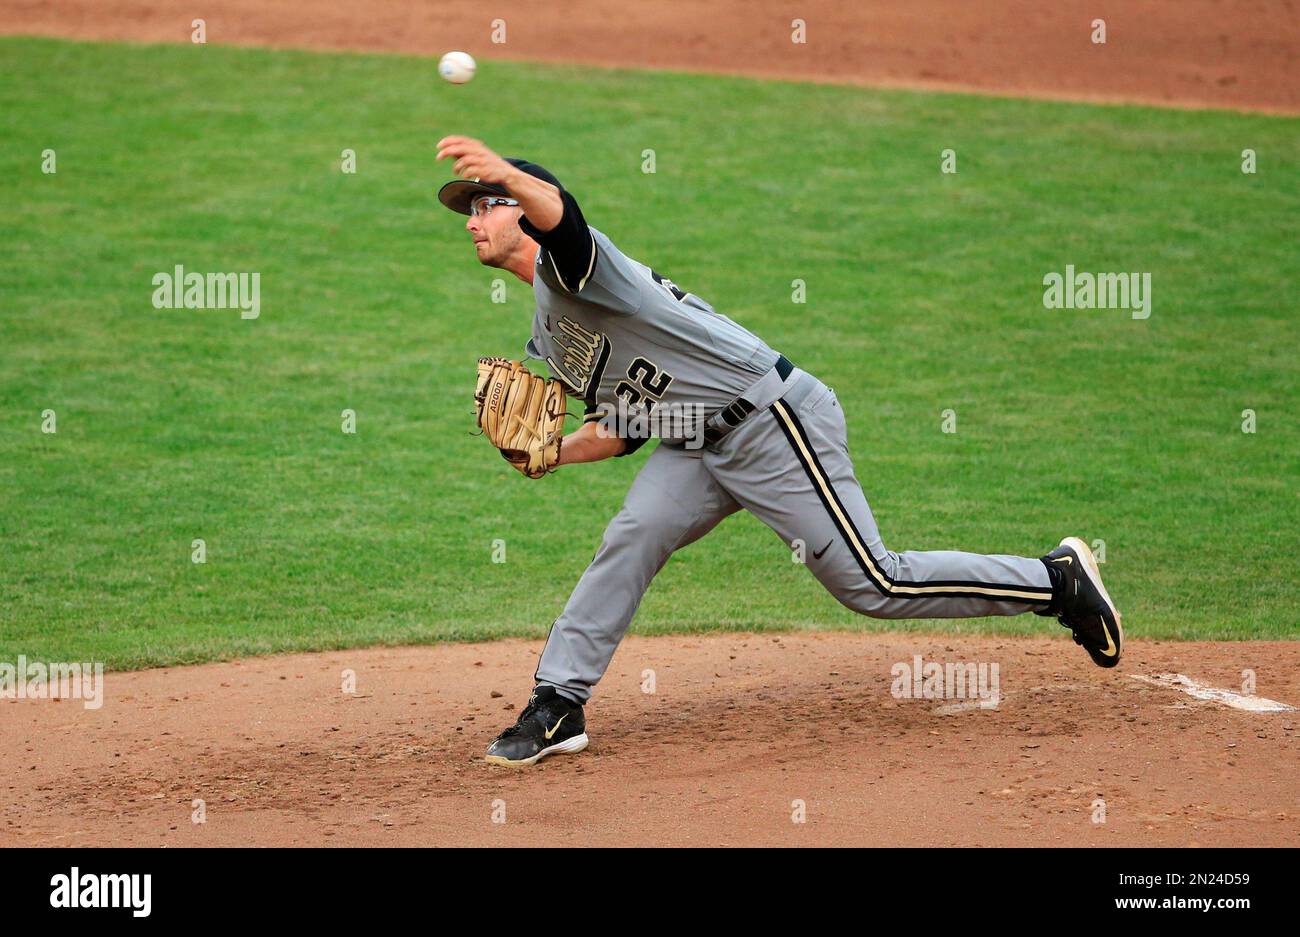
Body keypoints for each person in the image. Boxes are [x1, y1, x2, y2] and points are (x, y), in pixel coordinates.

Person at [436, 135, 1122, 768]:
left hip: (773, 421)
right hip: (693, 440)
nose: (471, 220)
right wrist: (554, 452)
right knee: (635, 533)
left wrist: (507, 173)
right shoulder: (550, 333)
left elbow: (565, 219)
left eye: (485, 205)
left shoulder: (585, 269)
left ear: (522, 209)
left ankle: (1054, 581)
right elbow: (627, 426)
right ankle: (559, 702)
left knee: (872, 584)